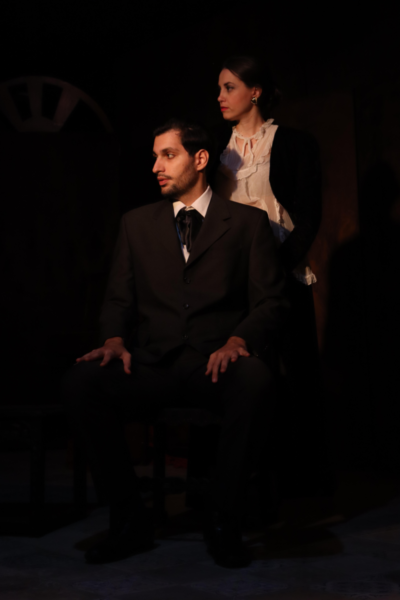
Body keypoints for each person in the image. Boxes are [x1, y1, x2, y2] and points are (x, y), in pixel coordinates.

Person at [62, 118, 288, 569]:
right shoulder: (136, 224)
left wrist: (238, 339)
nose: (156, 167)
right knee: (81, 381)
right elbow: (118, 298)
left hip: (214, 364)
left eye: (168, 155)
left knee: (256, 379)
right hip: (154, 364)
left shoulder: (247, 224)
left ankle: (222, 520)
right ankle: (129, 518)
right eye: (154, 157)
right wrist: (113, 340)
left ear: (199, 159)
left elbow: (272, 301)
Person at [213, 55, 333, 511]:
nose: (220, 97)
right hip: (232, 282)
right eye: (220, 88)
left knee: (291, 376)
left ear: (256, 91)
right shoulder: (215, 150)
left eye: (229, 87)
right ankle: (241, 482)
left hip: (281, 274)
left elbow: (307, 217)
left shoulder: (294, 143)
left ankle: (298, 486)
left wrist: (275, 269)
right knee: (241, 379)